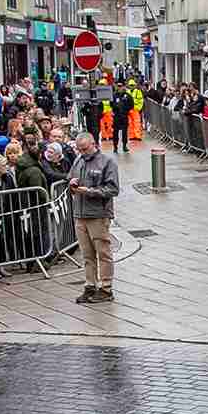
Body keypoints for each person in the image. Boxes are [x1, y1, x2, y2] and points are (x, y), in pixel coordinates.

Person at [68, 128, 119, 303]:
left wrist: (89, 191)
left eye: (84, 149)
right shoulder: (78, 161)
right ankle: (90, 285)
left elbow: (113, 189)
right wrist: (72, 183)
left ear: (93, 145)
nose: (82, 153)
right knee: (87, 254)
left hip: (98, 214)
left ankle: (106, 288)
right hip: (80, 213)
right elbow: (71, 179)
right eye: (79, 149)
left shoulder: (107, 162)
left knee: (103, 252)